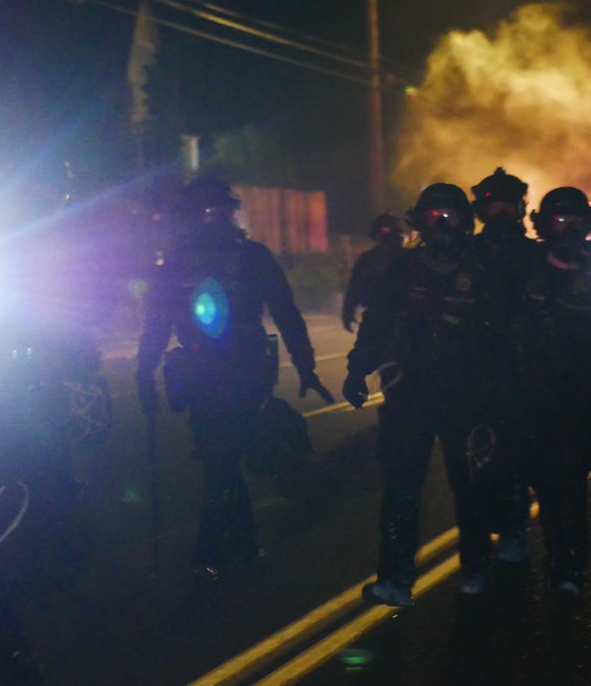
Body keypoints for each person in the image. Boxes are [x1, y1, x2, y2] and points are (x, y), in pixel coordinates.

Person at [136, 177, 333, 578]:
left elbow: (286, 312)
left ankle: (209, 550)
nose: (219, 219)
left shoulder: (252, 257)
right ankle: (244, 543)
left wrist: (306, 364)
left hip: (244, 371)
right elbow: (156, 324)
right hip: (200, 373)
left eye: (224, 211)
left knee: (221, 459)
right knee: (219, 457)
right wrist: (144, 372)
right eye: (210, 212)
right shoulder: (176, 264)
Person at [343, 183, 496, 606]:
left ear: (466, 222)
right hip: (411, 394)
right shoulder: (404, 269)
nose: (443, 226)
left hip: (467, 396)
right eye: (433, 218)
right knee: (401, 487)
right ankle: (395, 579)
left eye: (450, 217)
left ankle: (477, 570)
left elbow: (506, 335)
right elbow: (375, 323)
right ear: (419, 223)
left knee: (471, 487)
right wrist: (358, 370)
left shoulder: (484, 269)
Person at [512, 187, 591, 601]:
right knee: (531, 480)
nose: (567, 230)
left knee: (569, 487)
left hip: (581, 392)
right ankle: (539, 554)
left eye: (576, 222)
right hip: (527, 392)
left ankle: (568, 568)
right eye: (559, 222)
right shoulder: (522, 269)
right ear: (543, 225)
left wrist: (584, 337)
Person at [469, 167, 540, 564]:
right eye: (492, 204)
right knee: (477, 458)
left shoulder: (535, 254)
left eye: (505, 205)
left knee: (516, 456)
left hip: (524, 368)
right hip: (475, 368)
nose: (498, 212)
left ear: (518, 209)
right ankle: (481, 539)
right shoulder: (467, 253)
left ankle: (514, 530)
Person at [341, 213, 405, 332]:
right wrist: (348, 312)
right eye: (383, 231)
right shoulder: (368, 259)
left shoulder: (408, 257)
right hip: (376, 315)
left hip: (405, 317)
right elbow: (355, 287)